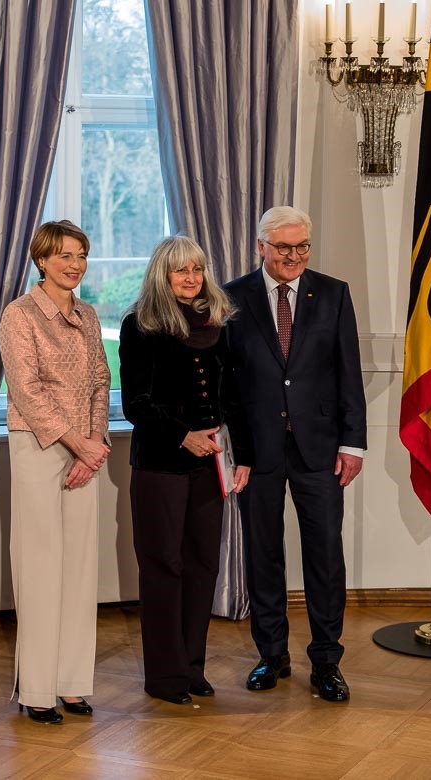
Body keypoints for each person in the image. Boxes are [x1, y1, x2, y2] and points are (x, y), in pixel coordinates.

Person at [225, 206, 367, 702]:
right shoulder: (231, 296)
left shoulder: (333, 293)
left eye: (303, 246)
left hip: (322, 449)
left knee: (326, 555)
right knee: (263, 554)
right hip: (257, 451)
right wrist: (235, 449)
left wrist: (353, 443)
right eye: (284, 247)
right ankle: (272, 655)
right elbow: (228, 383)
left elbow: (349, 372)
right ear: (261, 246)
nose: (294, 256)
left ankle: (327, 661)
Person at [119, 235, 252, 705]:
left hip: (211, 467)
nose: (191, 278)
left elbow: (233, 398)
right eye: (181, 271)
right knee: (163, 566)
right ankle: (165, 676)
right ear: (163, 274)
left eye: (197, 269)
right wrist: (183, 434)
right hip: (160, 466)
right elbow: (136, 403)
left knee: (202, 565)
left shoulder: (219, 320)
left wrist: (246, 456)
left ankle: (193, 668)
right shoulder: (140, 324)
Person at [0, 220, 111, 723]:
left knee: (79, 571)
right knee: (41, 568)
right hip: (39, 446)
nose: (75, 264)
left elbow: (101, 382)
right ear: (41, 260)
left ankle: (70, 684)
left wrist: (95, 446)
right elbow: (26, 389)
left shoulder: (87, 315)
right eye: (64, 255)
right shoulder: (19, 314)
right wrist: (78, 443)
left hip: (85, 453)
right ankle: (37, 691)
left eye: (82, 255)